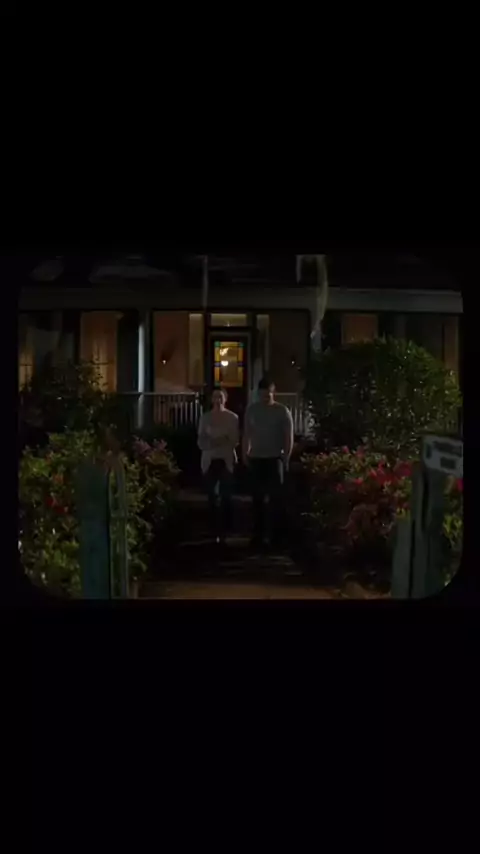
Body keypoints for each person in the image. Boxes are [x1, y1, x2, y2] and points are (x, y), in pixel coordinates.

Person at [242, 377, 294, 550]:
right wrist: (245, 453)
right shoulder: (252, 410)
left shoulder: (282, 411)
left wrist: (286, 457)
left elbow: (288, 436)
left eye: (268, 394)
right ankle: (257, 535)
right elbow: (247, 433)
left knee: (276, 499)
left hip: (274, 457)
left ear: (273, 393)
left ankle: (276, 537)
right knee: (257, 499)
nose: (265, 398)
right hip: (257, 457)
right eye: (262, 394)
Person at [197, 388, 239, 544]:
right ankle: (213, 529)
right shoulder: (205, 418)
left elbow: (234, 440)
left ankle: (227, 530)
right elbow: (201, 440)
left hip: (226, 459)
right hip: (210, 460)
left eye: (220, 397)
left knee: (226, 495)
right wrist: (219, 440)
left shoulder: (232, 417)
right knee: (212, 496)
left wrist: (216, 440)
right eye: (215, 397)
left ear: (225, 399)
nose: (218, 400)